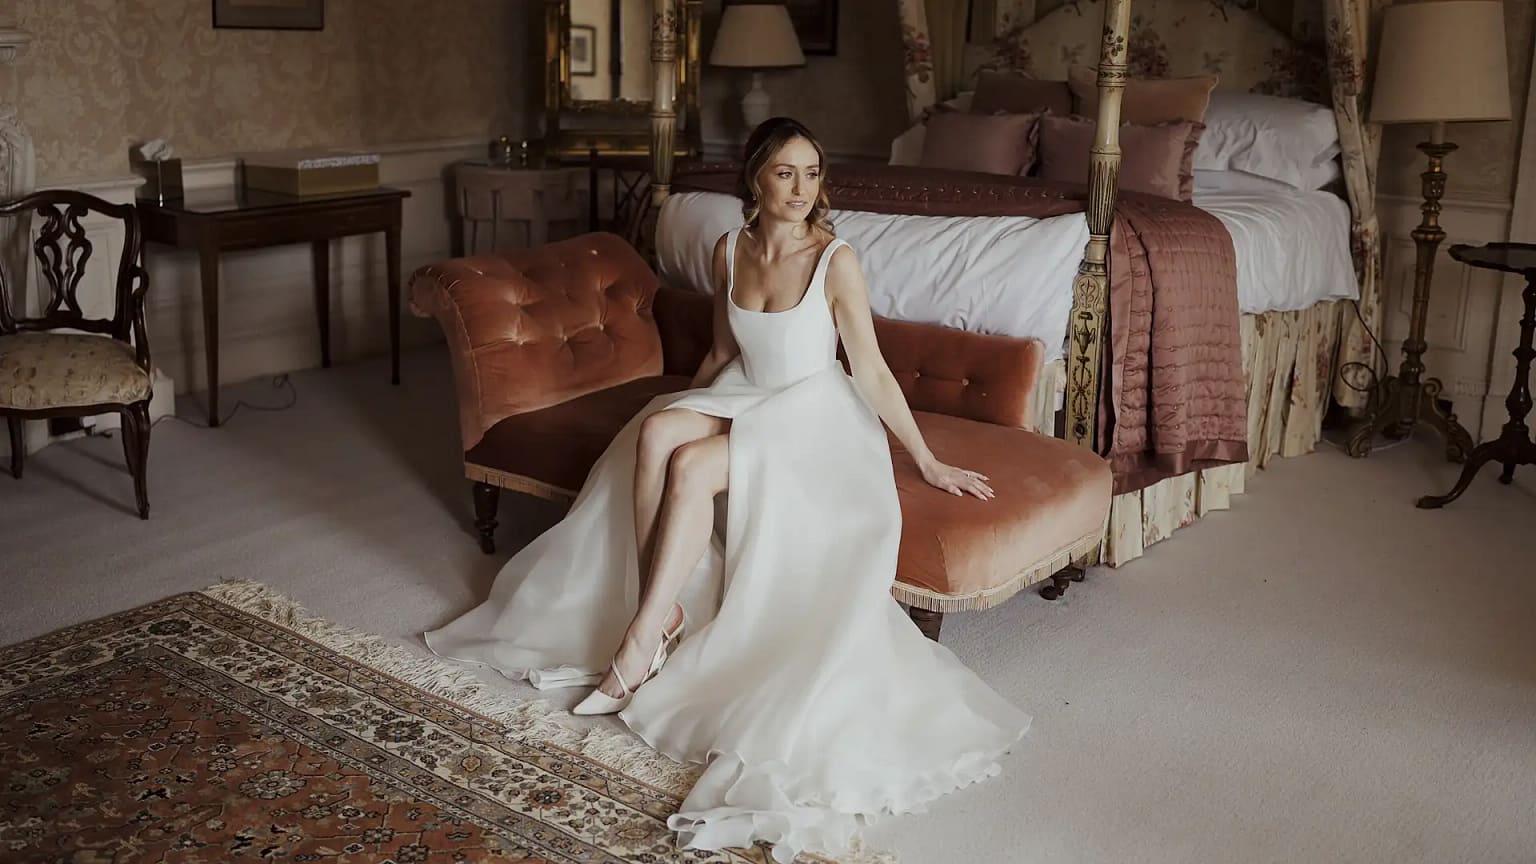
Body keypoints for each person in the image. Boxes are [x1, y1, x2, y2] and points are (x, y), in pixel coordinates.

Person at [424, 117, 1030, 863]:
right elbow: (720, 349)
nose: (801, 190)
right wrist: (684, 407)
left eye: (812, 174)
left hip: (816, 416)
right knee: (655, 436)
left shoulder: (835, 259)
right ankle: (664, 602)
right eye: (785, 173)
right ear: (755, 179)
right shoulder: (729, 249)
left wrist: (926, 459)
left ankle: (642, 641)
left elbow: (868, 371)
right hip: (748, 393)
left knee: (691, 467)